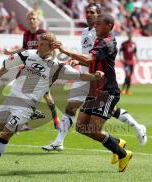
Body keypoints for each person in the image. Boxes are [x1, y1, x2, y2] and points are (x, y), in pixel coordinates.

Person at [0, 32, 104, 174]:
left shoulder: (57, 66)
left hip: (26, 105)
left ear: (52, 47)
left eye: (42, 44)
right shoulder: (27, 54)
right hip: (11, 98)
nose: (38, 46)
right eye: (38, 43)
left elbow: (80, 75)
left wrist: (95, 76)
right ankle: (32, 116)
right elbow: (6, 66)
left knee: (5, 135)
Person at [42, 3, 146, 156]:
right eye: (87, 12)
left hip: (98, 79)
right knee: (73, 109)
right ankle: (59, 141)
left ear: (100, 15)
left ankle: (133, 130)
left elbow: (92, 56)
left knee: (101, 115)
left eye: (92, 12)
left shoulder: (104, 38)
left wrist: (67, 52)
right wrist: (79, 62)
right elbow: (87, 56)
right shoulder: (86, 32)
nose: (88, 15)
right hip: (85, 75)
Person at [50, 14, 133, 172]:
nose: (95, 26)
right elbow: (94, 60)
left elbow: (90, 58)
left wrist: (64, 50)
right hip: (93, 90)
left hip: (107, 92)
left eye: (98, 24)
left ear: (109, 25)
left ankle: (123, 154)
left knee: (94, 129)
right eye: (95, 24)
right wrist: (79, 61)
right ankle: (117, 143)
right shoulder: (100, 40)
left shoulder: (107, 42)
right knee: (82, 127)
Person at [3, 10, 60, 129]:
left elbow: (54, 50)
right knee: (19, 90)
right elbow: (24, 49)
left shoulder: (44, 34)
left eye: (34, 18)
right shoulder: (26, 34)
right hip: (28, 68)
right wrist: (11, 52)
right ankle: (24, 120)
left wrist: (50, 65)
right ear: (27, 21)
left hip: (42, 69)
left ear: (38, 20)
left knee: (47, 96)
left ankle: (55, 119)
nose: (32, 20)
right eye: (30, 19)